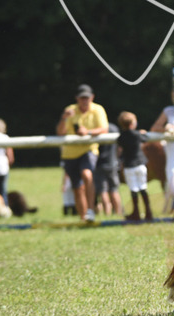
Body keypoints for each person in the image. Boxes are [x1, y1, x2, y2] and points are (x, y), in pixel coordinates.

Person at [56, 84, 108, 222]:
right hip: (69, 153)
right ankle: (84, 218)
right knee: (77, 187)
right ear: (77, 99)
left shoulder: (98, 109)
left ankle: (91, 209)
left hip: (88, 149)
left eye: (87, 98)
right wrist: (64, 118)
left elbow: (104, 129)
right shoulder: (70, 110)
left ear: (92, 97)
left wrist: (88, 132)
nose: (84, 101)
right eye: (82, 98)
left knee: (87, 174)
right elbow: (60, 132)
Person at [117, 111, 153, 222]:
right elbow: (145, 138)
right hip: (140, 164)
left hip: (129, 166)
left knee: (133, 190)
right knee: (143, 188)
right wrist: (142, 132)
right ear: (133, 124)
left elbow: (120, 146)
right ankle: (148, 212)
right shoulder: (137, 135)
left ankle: (136, 213)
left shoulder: (121, 137)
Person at [93, 122, 123, 217]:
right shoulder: (114, 127)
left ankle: (107, 214)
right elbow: (119, 147)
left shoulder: (96, 128)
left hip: (99, 163)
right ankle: (118, 213)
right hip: (113, 163)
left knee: (103, 191)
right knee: (114, 189)